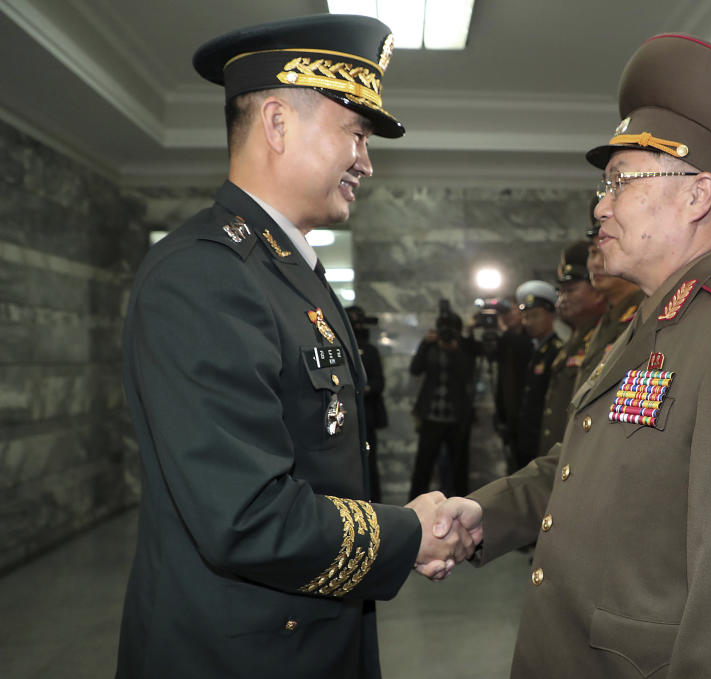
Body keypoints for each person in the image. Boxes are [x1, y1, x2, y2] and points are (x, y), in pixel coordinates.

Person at [433, 33, 711, 678]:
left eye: (620, 182)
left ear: (696, 196)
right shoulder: (654, 321)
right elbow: (583, 468)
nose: (600, 206)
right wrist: (484, 514)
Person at [116, 15, 476, 679]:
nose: (366, 162)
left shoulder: (288, 269)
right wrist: (408, 531)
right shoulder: (204, 274)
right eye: (356, 135)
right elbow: (247, 516)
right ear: (277, 123)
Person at [539, 240, 606, 456]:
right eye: (560, 292)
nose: (562, 300)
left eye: (571, 290)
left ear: (596, 291)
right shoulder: (575, 340)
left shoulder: (607, 336)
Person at [575, 197, 647, 390]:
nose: (596, 264)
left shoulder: (646, 310)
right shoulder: (606, 317)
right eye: (592, 252)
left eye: (605, 247)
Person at [408, 310, 476, 500]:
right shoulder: (431, 347)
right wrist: (424, 343)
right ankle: (414, 505)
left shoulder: (464, 348)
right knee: (423, 466)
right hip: (431, 416)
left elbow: (468, 373)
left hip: (457, 418)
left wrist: (456, 351)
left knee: (459, 468)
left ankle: (461, 506)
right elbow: (415, 369)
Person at [513, 280, 564, 470]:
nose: (528, 322)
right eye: (525, 317)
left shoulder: (556, 352)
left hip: (543, 441)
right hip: (528, 438)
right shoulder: (535, 350)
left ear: (551, 315)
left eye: (535, 316)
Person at [346, 306, 388, 503]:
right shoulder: (342, 350)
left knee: (370, 463)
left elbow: (379, 383)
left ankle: (375, 504)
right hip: (346, 417)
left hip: (367, 416)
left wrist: (363, 389)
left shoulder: (370, 351)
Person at [489, 295, 534, 471]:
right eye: (503, 313)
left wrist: (503, 331)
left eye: (510, 311)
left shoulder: (530, 336)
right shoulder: (505, 340)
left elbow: (523, 348)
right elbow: (490, 355)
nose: (506, 316)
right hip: (508, 415)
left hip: (525, 416)